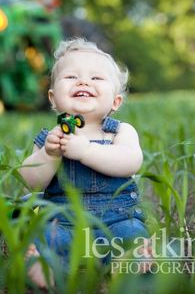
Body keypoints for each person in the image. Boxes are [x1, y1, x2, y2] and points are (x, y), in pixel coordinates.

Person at [19, 38, 150, 288]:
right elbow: (31, 181)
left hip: (117, 220)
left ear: (115, 101)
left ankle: (127, 264)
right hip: (63, 221)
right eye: (71, 77)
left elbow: (131, 162)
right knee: (45, 236)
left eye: (97, 78)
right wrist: (49, 155)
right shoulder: (50, 138)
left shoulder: (119, 132)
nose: (83, 82)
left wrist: (86, 150)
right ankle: (46, 268)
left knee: (132, 234)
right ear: (53, 97)